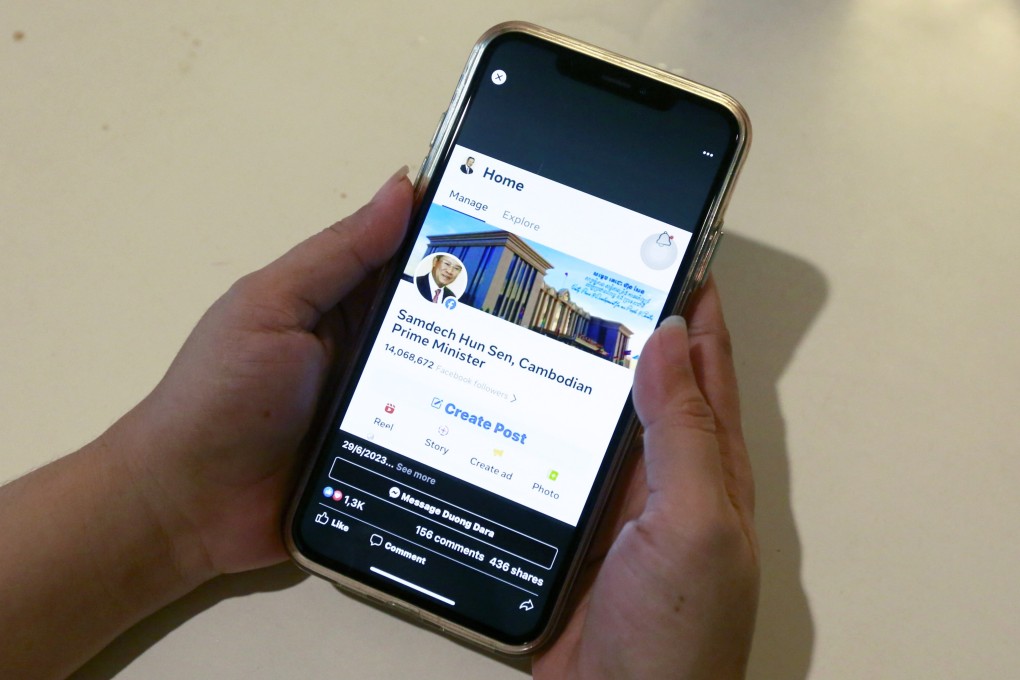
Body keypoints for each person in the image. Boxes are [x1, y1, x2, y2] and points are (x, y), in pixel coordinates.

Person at [0, 168, 758, 679]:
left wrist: (162, 505)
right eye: (449, 266)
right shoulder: (443, 295)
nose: (451, 273)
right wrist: (163, 503)